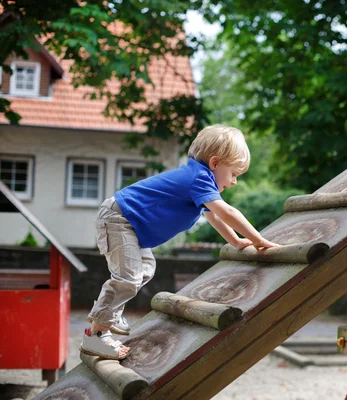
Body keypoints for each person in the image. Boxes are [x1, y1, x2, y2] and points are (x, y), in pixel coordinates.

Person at [79, 124, 279, 360]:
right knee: (129, 277)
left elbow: (213, 215)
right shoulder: (199, 179)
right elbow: (226, 212)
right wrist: (259, 240)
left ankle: (108, 314)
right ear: (214, 163)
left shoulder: (199, 180)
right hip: (119, 219)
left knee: (144, 270)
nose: (234, 181)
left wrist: (236, 241)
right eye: (233, 174)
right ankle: (96, 334)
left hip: (130, 224)